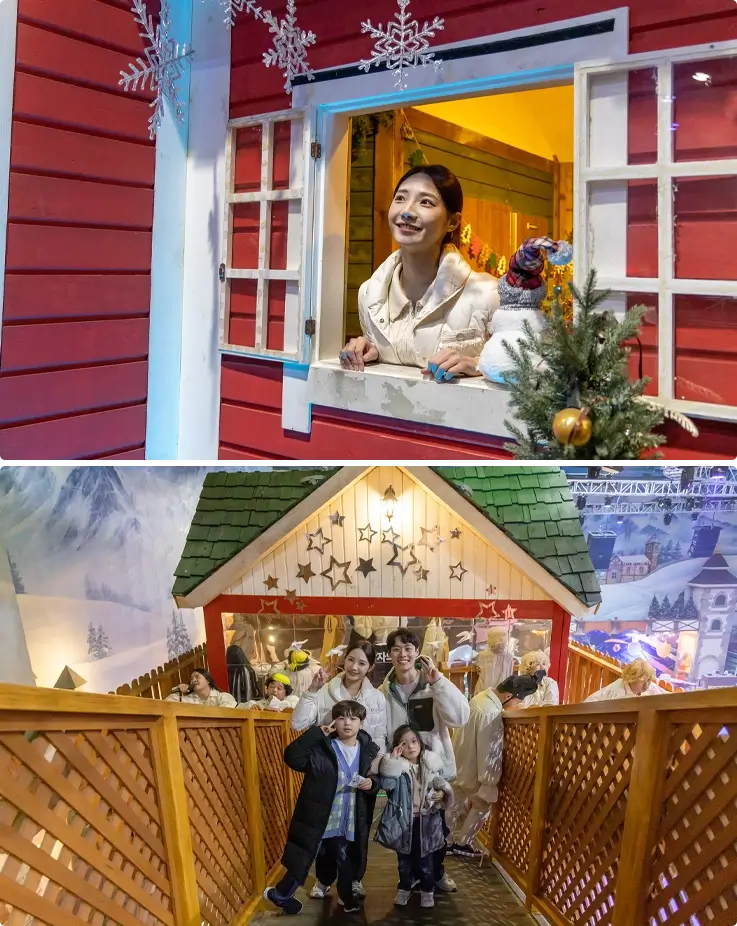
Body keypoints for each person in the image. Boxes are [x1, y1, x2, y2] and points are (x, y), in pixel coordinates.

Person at [339, 165, 499, 382]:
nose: (407, 211)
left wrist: (478, 364)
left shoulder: (489, 293)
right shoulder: (369, 294)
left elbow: (540, 367)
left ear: (452, 222)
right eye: (400, 198)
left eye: (426, 202)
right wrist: (368, 350)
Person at [264, 701, 380, 915]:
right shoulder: (322, 748)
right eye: (342, 718)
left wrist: (372, 783)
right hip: (318, 816)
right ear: (334, 721)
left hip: (348, 817)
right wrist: (316, 734)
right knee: (304, 859)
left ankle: (347, 898)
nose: (347, 723)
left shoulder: (367, 750)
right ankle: (280, 894)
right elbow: (292, 757)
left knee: (344, 858)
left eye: (353, 718)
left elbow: (375, 776)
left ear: (361, 723)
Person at [292, 639, 387, 900]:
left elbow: (380, 739)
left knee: (358, 830)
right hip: (328, 774)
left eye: (362, 663)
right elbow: (298, 722)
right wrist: (312, 690)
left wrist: (372, 774)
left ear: (370, 667)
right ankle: (323, 879)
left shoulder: (377, 699)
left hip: (359, 777)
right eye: (351, 659)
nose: (355, 667)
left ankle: (355, 878)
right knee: (325, 830)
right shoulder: (326, 691)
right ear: (344, 659)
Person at [380, 628, 470, 894]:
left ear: (417, 652)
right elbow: (381, 731)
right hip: (403, 776)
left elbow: (460, 718)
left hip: (435, 773)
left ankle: (437, 873)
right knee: (406, 829)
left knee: (437, 829)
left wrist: (439, 682)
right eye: (396, 649)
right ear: (390, 654)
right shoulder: (384, 692)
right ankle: (412, 880)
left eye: (408, 648)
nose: (403, 654)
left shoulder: (433, 685)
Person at [447, 674, 540, 858]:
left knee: (451, 805)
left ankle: (443, 841)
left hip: (456, 763)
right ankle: (463, 843)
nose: (518, 704)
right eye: (519, 700)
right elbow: (489, 751)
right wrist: (489, 781)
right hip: (472, 770)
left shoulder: (478, 699)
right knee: (482, 805)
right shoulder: (491, 712)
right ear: (508, 696)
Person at [374, 725, 453, 909]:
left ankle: (427, 891)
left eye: (414, 741)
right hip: (404, 822)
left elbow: (442, 785)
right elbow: (387, 784)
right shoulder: (399, 768)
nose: (410, 746)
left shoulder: (430, 765)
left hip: (427, 821)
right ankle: (403, 889)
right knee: (404, 862)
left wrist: (442, 793)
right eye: (404, 743)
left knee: (426, 861)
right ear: (398, 747)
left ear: (420, 743)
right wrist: (392, 760)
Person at [585, 658, 665, 701]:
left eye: (649, 680)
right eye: (641, 681)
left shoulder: (651, 688)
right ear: (632, 679)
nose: (647, 685)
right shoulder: (618, 692)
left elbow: (666, 696)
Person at [166, 669, 237, 707]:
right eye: (191, 679)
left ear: (208, 680)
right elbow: (167, 705)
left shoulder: (223, 697)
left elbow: (227, 714)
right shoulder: (189, 699)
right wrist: (178, 692)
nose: (193, 680)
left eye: (197, 677)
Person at [474, 629, 515, 695]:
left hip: (503, 690)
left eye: (502, 641)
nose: (499, 644)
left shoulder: (508, 656)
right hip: (485, 689)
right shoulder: (483, 656)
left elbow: (509, 673)